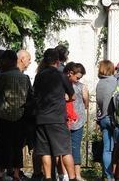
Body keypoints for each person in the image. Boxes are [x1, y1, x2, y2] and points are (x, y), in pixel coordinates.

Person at [33, 48, 76, 181]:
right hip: (57, 118)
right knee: (65, 150)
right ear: (57, 61)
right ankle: (73, 177)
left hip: (41, 118)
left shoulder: (39, 75)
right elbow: (72, 96)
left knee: (44, 150)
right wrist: (64, 100)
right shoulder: (61, 75)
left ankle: (47, 177)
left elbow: (35, 94)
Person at [0, 50, 32, 181]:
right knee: (17, 146)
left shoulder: (3, 76)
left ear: (8, 61)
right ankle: (16, 172)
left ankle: (0, 172)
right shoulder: (25, 78)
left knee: (3, 145)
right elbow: (29, 96)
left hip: (5, 115)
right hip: (20, 116)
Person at [65, 62, 89, 181]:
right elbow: (86, 100)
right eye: (78, 77)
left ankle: (64, 174)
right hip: (77, 119)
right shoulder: (82, 86)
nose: (79, 79)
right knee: (76, 147)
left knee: (64, 148)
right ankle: (77, 175)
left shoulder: (63, 85)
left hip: (66, 119)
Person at [96, 60, 117, 180]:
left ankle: (108, 176)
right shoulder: (115, 81)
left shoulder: (100, 83)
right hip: (114, 118)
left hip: (103, 118)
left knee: (107, 149)